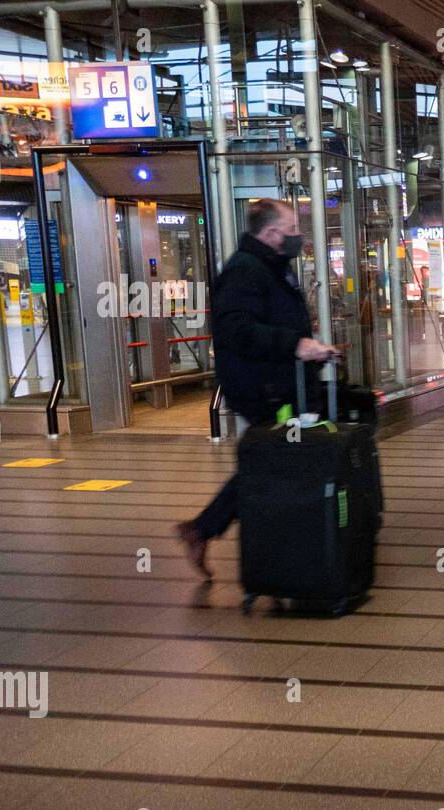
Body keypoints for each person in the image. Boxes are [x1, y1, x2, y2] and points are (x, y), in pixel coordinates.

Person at [175, 198, 339, 579]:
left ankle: (207, 529)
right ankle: (210, 530)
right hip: (261, 387)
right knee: (273, 456)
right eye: (293, 229)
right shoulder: (245, 272)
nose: (299, 236)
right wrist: (296, 345)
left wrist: (310, 351)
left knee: (274, 456)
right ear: (270, 234)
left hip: (280, 382)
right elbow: (237, 330)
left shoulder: (273, 266)